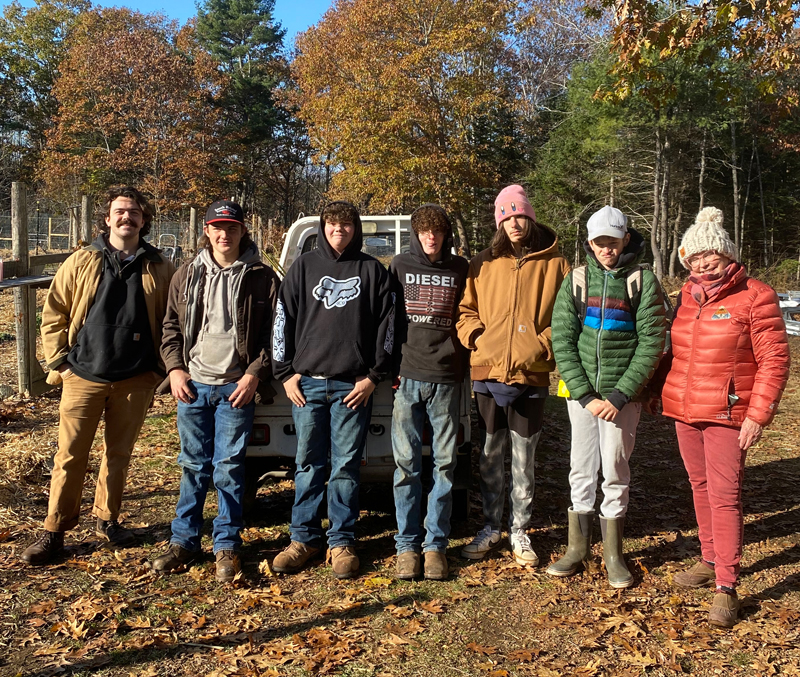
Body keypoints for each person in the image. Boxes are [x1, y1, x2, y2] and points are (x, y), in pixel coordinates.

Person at [21, 186, 175, 565]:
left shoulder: (160, 266)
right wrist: (60, 362)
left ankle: (107, 520)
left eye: (135, 213)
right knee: (70, 455)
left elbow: (171, 319)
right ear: (107, 218)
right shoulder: (82, 261)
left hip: (135, 378)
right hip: (84, 375)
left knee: (118, 455)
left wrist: (159, 368)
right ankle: (54, 532)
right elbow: (54, 311)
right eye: (120, 211)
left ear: (144, 220)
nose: (127, 217)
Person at [661, 207, 789, 627]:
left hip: (728, 412)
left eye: (709, 254)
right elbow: (675, 352)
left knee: (724, 493)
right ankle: (709, 556)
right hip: (685, 409)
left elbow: (774, 358)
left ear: (727, 253)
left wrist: (759, 414)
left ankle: (727, 585)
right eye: (694, 258)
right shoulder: (686, 297)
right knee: (699, 486)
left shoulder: (755, 294)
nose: (702, 263)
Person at [151, 200, 280, 583]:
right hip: (192, 385)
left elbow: (277, 336)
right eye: (217, 227)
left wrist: (255, 375)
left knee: (229, 468)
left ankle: (226, 545)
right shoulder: (187, 274)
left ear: (244, 231)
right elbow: (171, 327)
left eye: (232, 227)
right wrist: (175, 370)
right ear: (206, 230)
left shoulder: (263, 277)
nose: (224, 234)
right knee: (192, 466)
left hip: (235, 389)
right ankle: (184, 541)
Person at [271, 201, 395, 579]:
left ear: (356, 229)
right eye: (331, 224)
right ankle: (303, 539)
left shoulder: (373, 271)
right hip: (306, 385)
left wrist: (373, 377)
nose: (338, 230)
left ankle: (341, 541)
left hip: (352, 387)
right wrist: (285, 373)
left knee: (345, 467)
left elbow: (388, 328)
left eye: (345, 224)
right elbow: (282, 319)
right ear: (323, 228)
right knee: (308, 465)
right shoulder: (303, 268)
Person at [549, 206, 667, 587]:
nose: (606, 249)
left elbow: (652, 343)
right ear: (589, 243)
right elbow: (563, 339)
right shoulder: (576, 279)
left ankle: (614, 553)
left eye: (613, 242)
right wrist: (585, 394)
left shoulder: (642, 281)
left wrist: (619, 395)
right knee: (580, 467)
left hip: (622, 399)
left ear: (625, 240)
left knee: (615, 469)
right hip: (582, 396)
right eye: (599, 242)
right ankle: (578, 548)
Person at [456, 185, 569, 566]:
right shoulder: (482, 263)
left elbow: (567, 320)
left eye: (520, 215)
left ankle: (519, 530)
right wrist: (476, 338)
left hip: (531, 375)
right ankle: (491, 527)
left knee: (524, 458)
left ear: (530, 218)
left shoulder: (557, 265)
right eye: (507, 217)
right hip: (487, 374)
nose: (514, 223)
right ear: (499, 223)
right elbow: (465, 311)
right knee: (489, 454)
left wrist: (542, 346)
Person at [389, 204, 469, 581]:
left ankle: (435, 545)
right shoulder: (400, 266)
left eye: (437, 231)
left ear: (445, 234)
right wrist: (388, 367)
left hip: (448, 377)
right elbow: (387, 321)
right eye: (424, 232)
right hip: (407, 377)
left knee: (445, 464)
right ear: (416, 234)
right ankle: (407, 546)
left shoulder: (460, 269)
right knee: (406, 466)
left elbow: (470, 316)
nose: (431, 237)